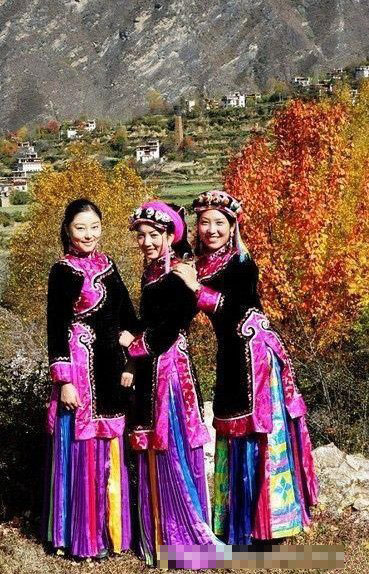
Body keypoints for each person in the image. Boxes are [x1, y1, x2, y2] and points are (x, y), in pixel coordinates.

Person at [172, 189, 319, 545]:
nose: (211, 230)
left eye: (219, 223)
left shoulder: (241, 262)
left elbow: (235, 307)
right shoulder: (200, 264)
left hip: (256, 358)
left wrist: (195, 288)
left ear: (232, 226)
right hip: (231, 355)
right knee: (231, 425)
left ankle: (269, 523)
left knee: (258, 431)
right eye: (204, 222)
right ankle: (234, 521)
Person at [119, 200, 219, 566]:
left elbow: (169, 327)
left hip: (171, 372)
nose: (146, 242)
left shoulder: (179, 272)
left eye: (153, 235)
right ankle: (158, 539)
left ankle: (182, 537)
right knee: (153, 443)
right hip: (153, 367)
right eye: (141, 235)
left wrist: (133, 346)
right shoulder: (151, 272)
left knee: (171, 443)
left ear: (169, 235)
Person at [43, 198, 137, 559]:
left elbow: (128, 315)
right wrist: (64, 380)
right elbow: (55, 328)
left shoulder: (109, 266)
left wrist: (134, 347)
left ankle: (111, 533)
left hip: (111, 371)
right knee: (82, 450)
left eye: (94, 227)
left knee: (110, 445)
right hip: (80, 373)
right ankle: (82, 538)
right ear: (68, 230)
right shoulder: (63, 271)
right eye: (80, 228)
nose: (88, 235)